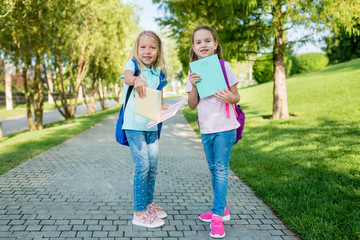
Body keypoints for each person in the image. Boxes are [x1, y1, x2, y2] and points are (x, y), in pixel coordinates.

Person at [186, 26, 240, 238]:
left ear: (215, 45)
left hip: (225, 126)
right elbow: (192, 105)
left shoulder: (224, 66)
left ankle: (217, 216)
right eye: (199, 42)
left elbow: (237, 96)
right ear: (194, 48)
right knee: (213, 168)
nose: (203, 45)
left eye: (207, 41)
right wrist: (194, 86)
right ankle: (222, 207)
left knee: (220, 169)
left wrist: (229, 98)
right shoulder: (193, 72)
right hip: (206, 128)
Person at [123, 30, 168, 228]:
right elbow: (127, 78)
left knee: (153, 167)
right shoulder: (133, 66)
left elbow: (158, 99)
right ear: (137, 49)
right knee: (142, 166)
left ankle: (148, 204)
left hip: (151, 126)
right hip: (134, 126)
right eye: (143, 47)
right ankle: (139, 212)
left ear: (158, 51)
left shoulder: (160, 74)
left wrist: (163, 107)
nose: (147, 51)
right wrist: (136, 79)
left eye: (152, 47)